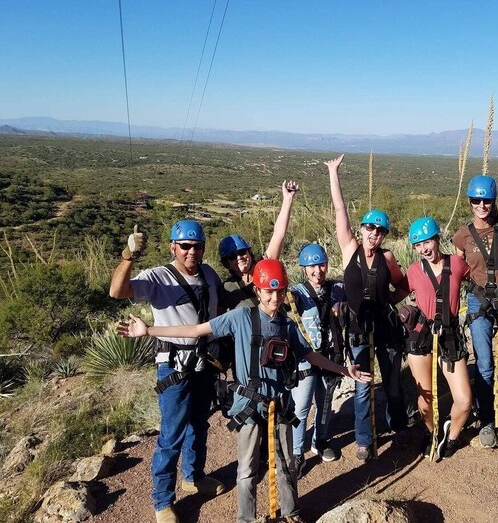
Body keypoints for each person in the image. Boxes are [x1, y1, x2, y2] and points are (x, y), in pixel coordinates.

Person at [118, 258, 371, 523]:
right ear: (258, 292)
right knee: (247, 469)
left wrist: (344, 370)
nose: (275, 298)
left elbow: (310, 354)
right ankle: (246, 518)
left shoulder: (287, 325)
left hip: (280, 405)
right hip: (249, 406)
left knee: (285, 465)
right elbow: (195, 330)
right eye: (269, 292)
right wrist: (149, 330)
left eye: (279, 291)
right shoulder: (240, 318)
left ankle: (291, 512)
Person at [109, 219, 224, 523]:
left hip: (203, 364)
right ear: (173, 246)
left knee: (199, 425)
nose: (191, 252)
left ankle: (194, 476)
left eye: (197, 246)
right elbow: (118, 292)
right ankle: (162, 501)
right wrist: (128, 257)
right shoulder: (159, 277)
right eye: (185, 246)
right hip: (174, 367)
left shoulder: (210, 274)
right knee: (171, 434)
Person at [325, 153, 409, 462]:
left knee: (392, 381)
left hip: (385, 327)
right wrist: (334, 172)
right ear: (361, 229)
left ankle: (398, 428)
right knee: (362, 386)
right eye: (369, 228)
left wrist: (390, 301)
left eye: (379, 230)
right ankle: (364, 438)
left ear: (385, 234)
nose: (373, 234)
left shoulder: (387, 258)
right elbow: (339, 210)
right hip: (359, 328)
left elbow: (403, 284)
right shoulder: (350, 249)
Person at [452, 175, 498, 457]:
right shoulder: (463, 235)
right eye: (476, 200)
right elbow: (456, 270)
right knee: (484, 364)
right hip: (478, 299)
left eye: (486, 200)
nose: (482, 205)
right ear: (469, 202)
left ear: (494, 201)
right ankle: (486, 422)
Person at [403, 216, 472, 460]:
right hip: (421, 336)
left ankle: (450, 435)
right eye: (419, 245)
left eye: (428, 242)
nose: (424, 249)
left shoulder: (457, 263)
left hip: (450, 335)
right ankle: (430, 432)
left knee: (464, 401)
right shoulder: (413, 272)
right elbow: (394, 295)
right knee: (426, 399)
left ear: (437, 239)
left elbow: (478, 277)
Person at [288, 243, 348, 475]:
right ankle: (296, 452)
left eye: (321, 264)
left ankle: (320, 441)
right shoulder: (298, 293)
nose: (317, 271)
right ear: (304, 268)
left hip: (330, 355)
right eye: (312, 266)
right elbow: (284, 298)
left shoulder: (337, 288)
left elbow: (353, 284)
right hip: (305, 359)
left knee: (324, 404)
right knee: (301, 407)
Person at [218, 180, 298, 310]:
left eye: (242, 252)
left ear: (249, 252)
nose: (240, 258)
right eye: (232, 256)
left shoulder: (264, 265)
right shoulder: (227, 289)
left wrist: (288, 200)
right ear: (226, 263)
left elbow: (279, 234)